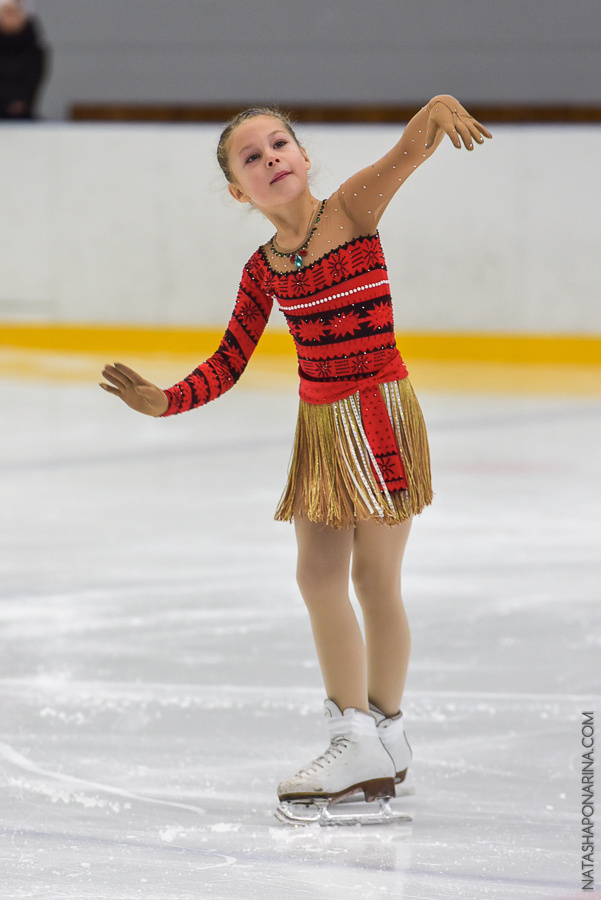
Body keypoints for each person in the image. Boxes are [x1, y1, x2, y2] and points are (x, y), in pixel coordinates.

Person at [100, 97, 491, 823]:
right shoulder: (263, 270)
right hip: (319, 430)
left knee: (375, 580)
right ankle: (358, 735)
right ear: (237, 192)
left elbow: (407, 154)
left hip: (379, 415)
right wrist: (166, 401)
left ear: (304, 157)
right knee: (318, 577)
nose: (271, 158)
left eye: (280, 144)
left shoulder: (350, 209)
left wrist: (435, 109)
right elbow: (228, 360)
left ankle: (383, 732)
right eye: (251, 158)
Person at [0, 0, 48, 120]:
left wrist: (19, 102)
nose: (12, 18)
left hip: (23, 116)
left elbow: (32, 81)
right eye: (8, 12)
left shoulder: (34, 50)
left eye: (17, 12)